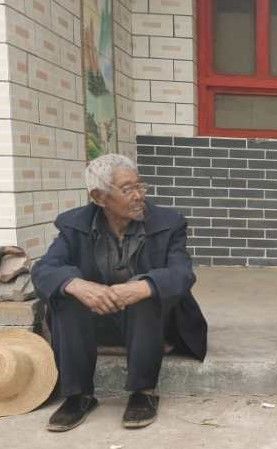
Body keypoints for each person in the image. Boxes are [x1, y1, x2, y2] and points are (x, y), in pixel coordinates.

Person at [31, 154, 208, 431]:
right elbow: (43, 269)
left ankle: (143, 392)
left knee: (147, 292)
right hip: (97, 324)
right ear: (99, 197)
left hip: (151, 327)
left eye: (140, 186)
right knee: (67, 293)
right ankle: (78, 396)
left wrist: (143, 286)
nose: (139, 196)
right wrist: (77, 285)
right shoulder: (73, 224)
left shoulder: (169, 222)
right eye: (128, 190)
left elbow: (182, 272)